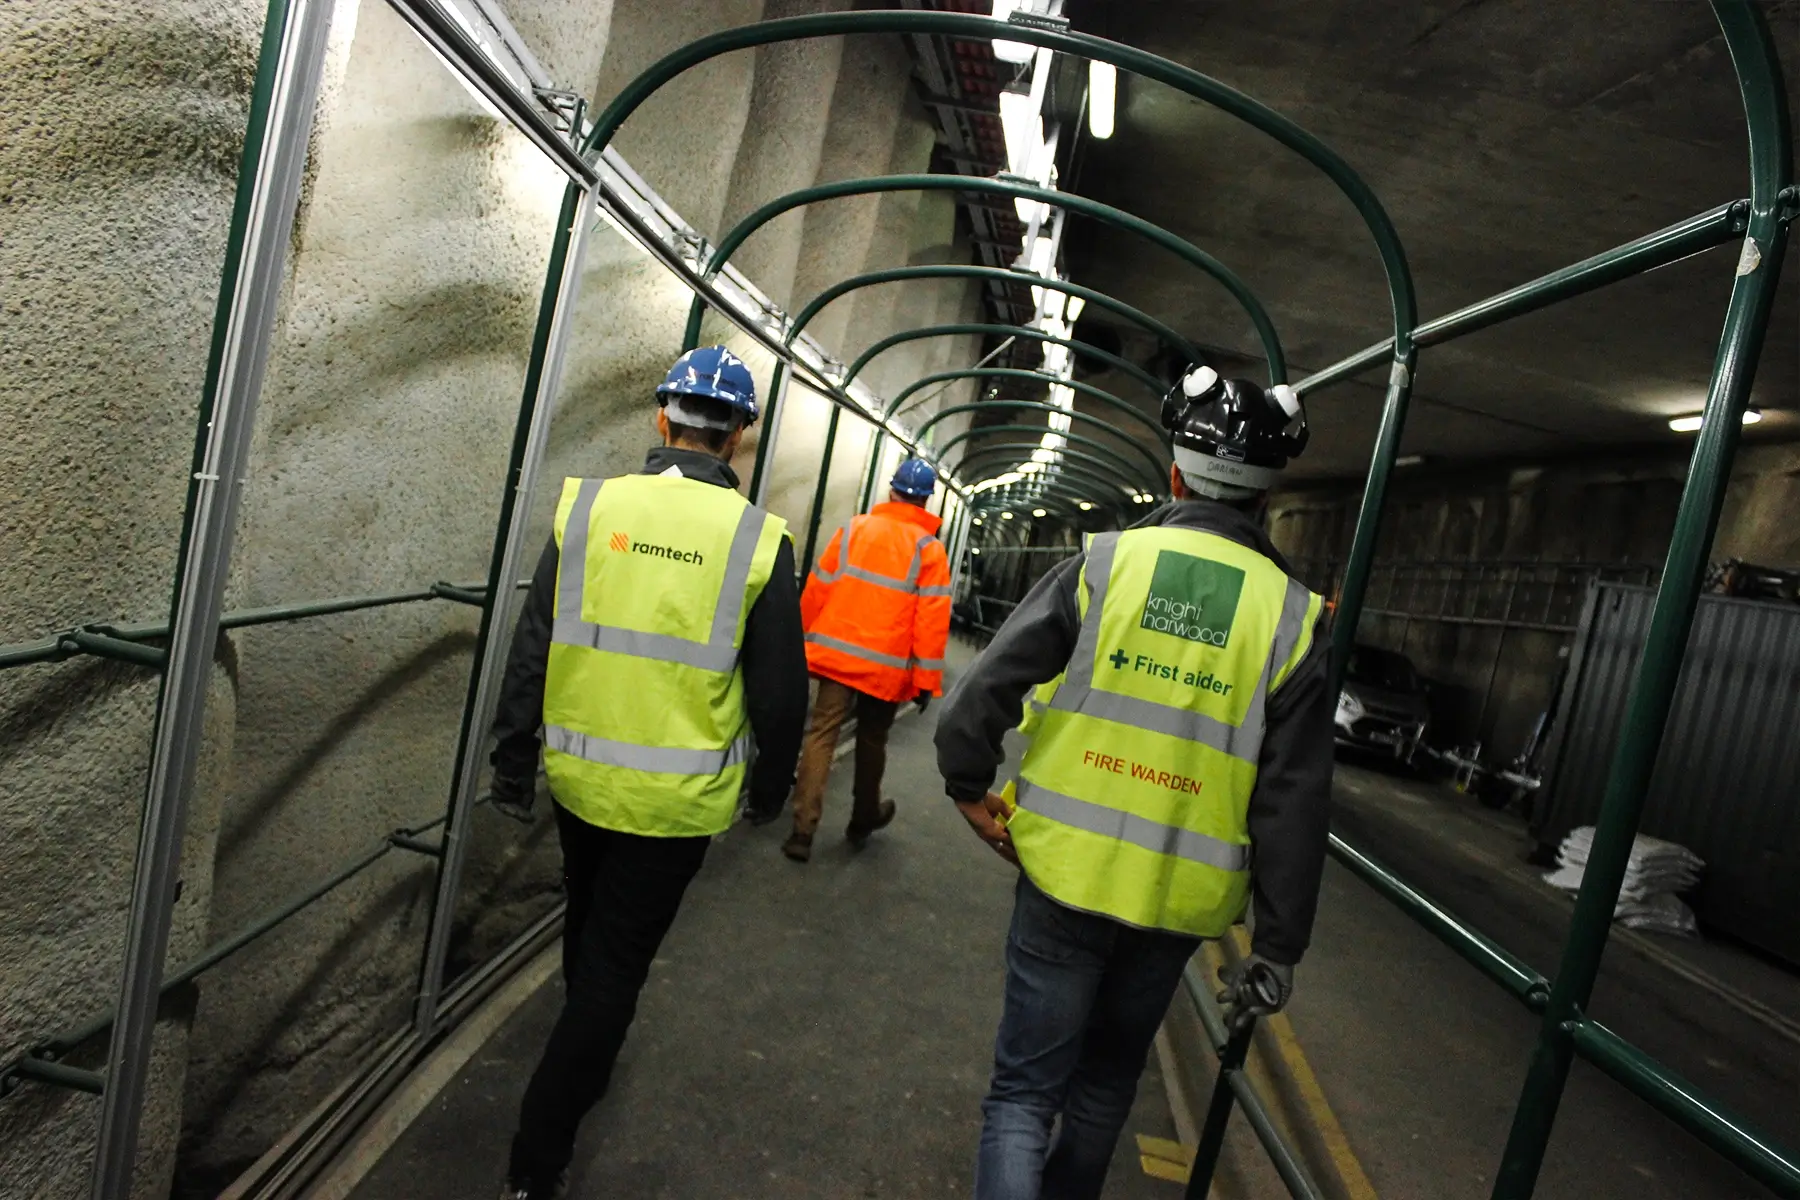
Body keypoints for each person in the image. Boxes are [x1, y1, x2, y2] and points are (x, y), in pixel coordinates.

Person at [934, 366, 1334, 1200]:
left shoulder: (1106, 566)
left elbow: (982, 694)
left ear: (1178, 474)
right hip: (1176, 903)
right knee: (1106, 1086)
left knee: (1022, 1095)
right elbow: (1294, 798)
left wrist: (969, 787)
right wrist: (1279, 944)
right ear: (1266, 499)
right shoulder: (1294, 618)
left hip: (1064, 872)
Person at [484, 345, 809, 1200]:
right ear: (739, 437)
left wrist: (513, 760)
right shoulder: (759, 541)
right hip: (676, 807)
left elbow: (532, 645)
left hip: (582, 784)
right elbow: (780, 692)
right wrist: (771, 788)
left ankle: (575, 1056)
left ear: (662, 419)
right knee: (614, 972)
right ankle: (536, 1160)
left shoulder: (590, 508)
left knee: (587, 939)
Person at [779, 456, 953, 862]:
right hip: (886, 668)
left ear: (891, 491)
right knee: (873, 739)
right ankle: (862, 819)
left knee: (821, 734)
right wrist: (926, 682)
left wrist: (796, 639)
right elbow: (932, 620)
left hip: (838, 656)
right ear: (926, 501)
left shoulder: (854, 530)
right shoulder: (930, 551)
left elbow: (819, 586)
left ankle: (801, 833)